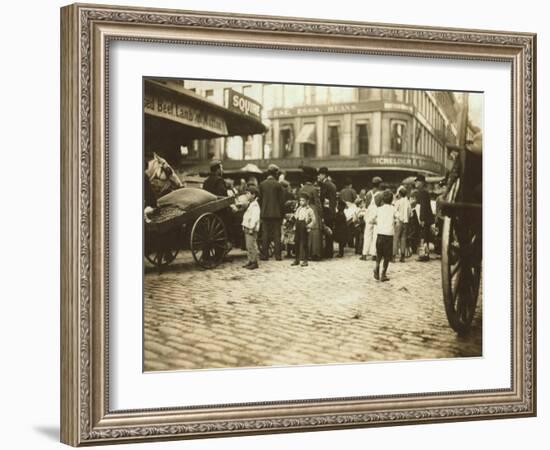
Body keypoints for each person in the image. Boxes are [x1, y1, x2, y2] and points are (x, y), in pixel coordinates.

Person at [259, 164, 284, 261]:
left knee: (265, 235)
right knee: (277, 235)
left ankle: (264, 255)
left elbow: (260, 200)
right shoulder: (278, 185)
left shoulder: (262, 184)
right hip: (276, 214)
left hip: (265, 213)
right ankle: (278, 256)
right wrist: (282, 214)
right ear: (275, 174)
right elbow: (281, 202)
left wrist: (262, 211)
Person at [299, 166, 323, 260]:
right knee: (314, 232)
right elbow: (318, 203)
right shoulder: (314, 189)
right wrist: (321, 215)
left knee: (303, 231)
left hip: (303, 210)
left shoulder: (301, 189)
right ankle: (314, 253)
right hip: (313, 210)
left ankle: (303, 254)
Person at [371, 189, 395, 282]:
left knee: (379, 254)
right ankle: (383, 274)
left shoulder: (379, 209)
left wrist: (378, 222)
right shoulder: (393, 209)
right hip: (389, 235)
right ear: (392, 200)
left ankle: (376, 267)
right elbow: (399, 217)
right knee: (387, 256)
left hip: (380, 234)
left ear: (382, 200)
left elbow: (372, 220)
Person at [292, 192, 316, 267]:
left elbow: (314, 220)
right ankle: (297, 259)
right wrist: (294, 223)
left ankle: (305, 260)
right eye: (300, 200)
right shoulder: (299, 208)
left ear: (307, 201)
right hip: (298, 225)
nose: (301, 202)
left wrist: (309, 226)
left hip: (304, 226)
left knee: (305, 243)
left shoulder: (310, 210)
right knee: (296, 242)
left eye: (303, 200)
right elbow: (296, 217)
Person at [414, 174, 435, 261]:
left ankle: (423, 255)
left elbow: (422, 207)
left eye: (417, 181)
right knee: (425, 237)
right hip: (426, 218)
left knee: (423, 237)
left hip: (423, 218)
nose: (416, 183)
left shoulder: (422, 193)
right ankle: (425, 254)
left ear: (422, 183)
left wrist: (422, 219)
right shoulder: (424, 192)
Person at [318, 166, 337, 258]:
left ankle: (328, 252)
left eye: (320, 174)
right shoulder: (332, 184)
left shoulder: (325, 185)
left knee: (326, 231)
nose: (319, 176)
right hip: (332, 210)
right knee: (330, 231)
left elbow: (322, 199)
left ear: (323, 175)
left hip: (326, 211)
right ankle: (330, 251)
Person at [241, 186, 261, 270]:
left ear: (253, 195)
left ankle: (254, 262)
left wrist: (251, 227)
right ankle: (250, 260)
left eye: (248, 193)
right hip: (247, 227)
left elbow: (254, 218)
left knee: (252, 245)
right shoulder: (251, 204)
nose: (246, 195)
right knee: (248, 246)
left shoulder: (255, 206)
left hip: (251, 229)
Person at [393, 186, 411, 262]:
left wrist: (398, 217)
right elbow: (410, 213)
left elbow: (394, 211)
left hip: (399, 221)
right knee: (403, 238)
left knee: (396, 238)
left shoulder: (398, 202)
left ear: (400, 194)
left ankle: (393, 256)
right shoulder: (408, 202)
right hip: (406, 222)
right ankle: (402, 256)